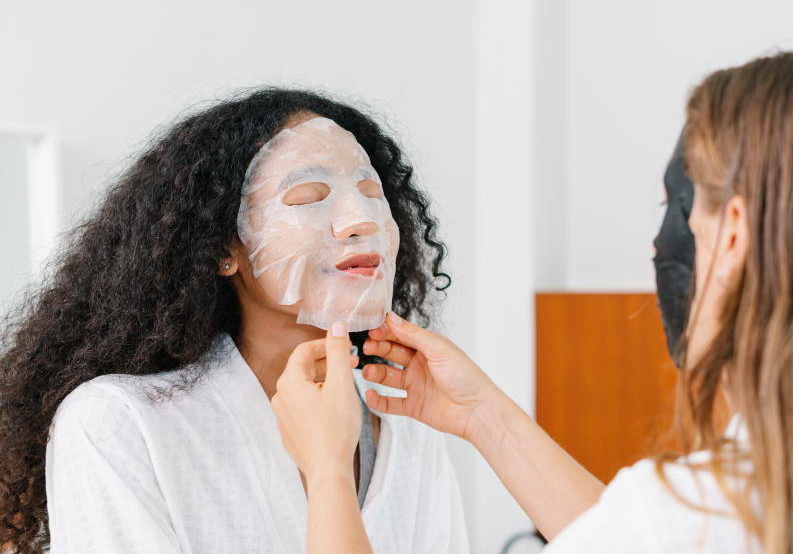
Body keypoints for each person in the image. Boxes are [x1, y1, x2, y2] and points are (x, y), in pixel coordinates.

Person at [272, 51, 793, 553]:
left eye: (676, 210)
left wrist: (330, 473)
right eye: (308, 200)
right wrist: (485, 417)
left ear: (735, 234)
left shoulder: (702, 514)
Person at [0, 89, 468, 553]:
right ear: (224, 250)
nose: (361, 220)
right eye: (309, 197)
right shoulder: (118, 425)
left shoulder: (407, 423)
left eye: (371, 194)